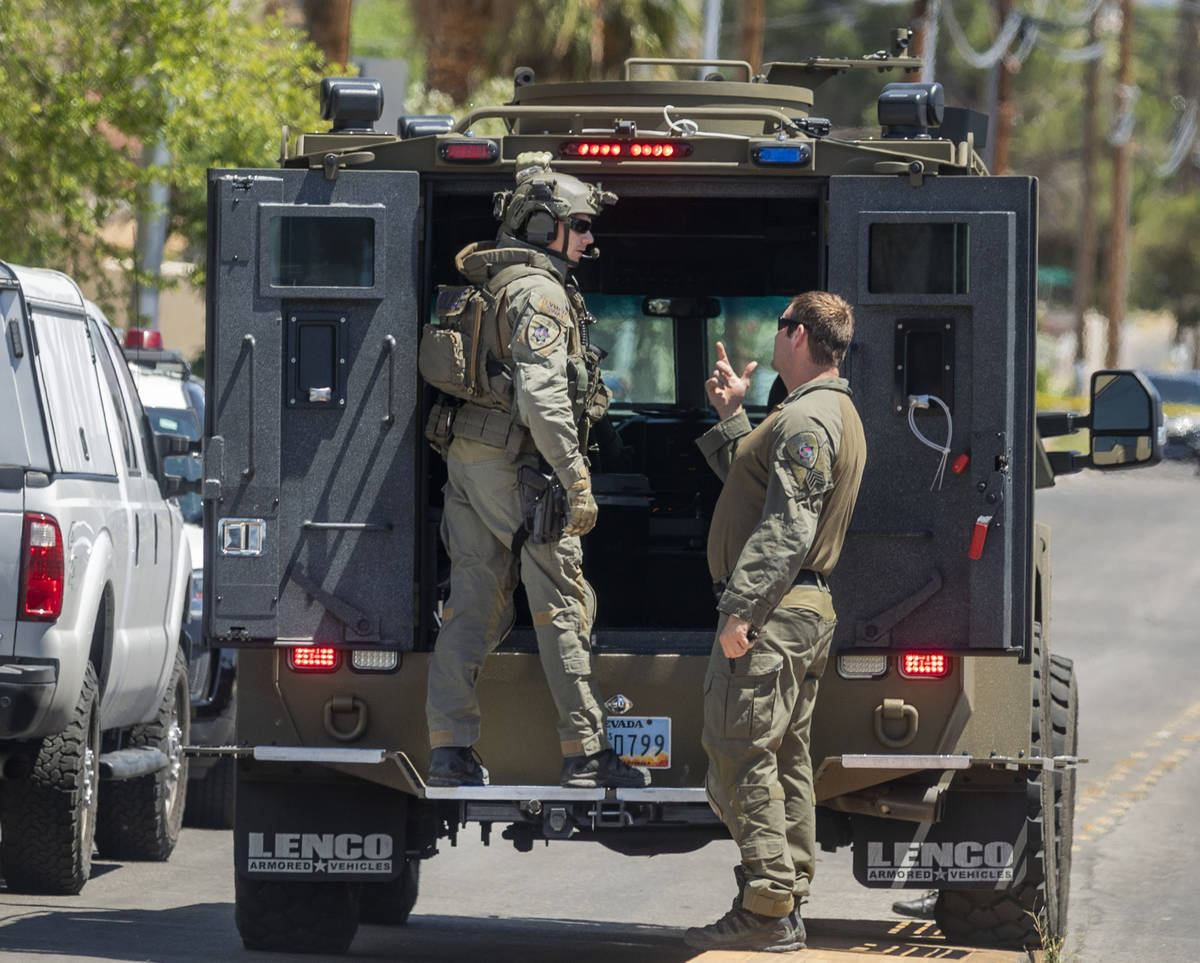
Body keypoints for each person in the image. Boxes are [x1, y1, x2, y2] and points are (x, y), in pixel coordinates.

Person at [424, 152, 650, 791]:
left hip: (468, 460)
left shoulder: (497, 284)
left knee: (470, 603)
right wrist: (576, 480)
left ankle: (449, 751)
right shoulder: (542, 293)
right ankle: (585, 755)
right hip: (515, 467)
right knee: (562, 602)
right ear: (542, 226)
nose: (588, 237)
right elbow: (545, 398)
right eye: (578, 225)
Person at [684, 292, 867, 952]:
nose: (775, 332)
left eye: (782, 323)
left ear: (799, 337)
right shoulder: (808, 414)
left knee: (738, 751)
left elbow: (788, 528)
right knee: (783, 754)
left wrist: (741, 609)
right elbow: (761, 490)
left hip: (777, 610)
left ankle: (766, 906)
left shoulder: (811, 421)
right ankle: (784, 895)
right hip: (796, 609)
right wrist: (734, 414)